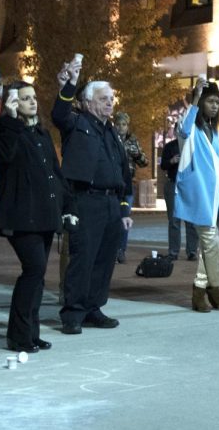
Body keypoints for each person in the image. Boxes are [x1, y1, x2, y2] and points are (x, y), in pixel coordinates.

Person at [52, 59, 133, 334]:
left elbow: (123, 172)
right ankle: (73, 312)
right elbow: (59, 114)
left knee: (104, 258)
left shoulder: (112, 132)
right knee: (83, 257)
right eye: (103, 99)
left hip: (111, 202)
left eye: (111, 99)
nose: (110, 103)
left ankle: (93, 307)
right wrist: (70, 84)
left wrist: (124, 209)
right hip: (85, 200)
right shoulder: (76, 122)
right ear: (87, 103)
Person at [0, 81, 67, 353]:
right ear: (14, 103)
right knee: (33, 270)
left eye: (34, 97)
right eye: (25, 98)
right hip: (22, 216)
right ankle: (18, 336)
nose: (33, 102)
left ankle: (31, 334)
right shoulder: (3, 130)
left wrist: (65, 206)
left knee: (38, 275)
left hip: (45, 215)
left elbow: (54, 173)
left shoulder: (41, 132)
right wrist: (9, 119)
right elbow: (4, 156)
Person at [175, 80, 219, 312]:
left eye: (217, 103)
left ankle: (200, 291)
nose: (215, 106)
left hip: (216, 198)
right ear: (201, 101)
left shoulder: (211, 132)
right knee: (211, 243)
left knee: (207, 246)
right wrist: (195, 98)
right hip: (201, 196)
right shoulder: (190, 129)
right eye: (211, 101)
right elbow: (182, 129)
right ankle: (215, 290)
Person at [114, 112, 149, 264]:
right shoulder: (110, 138)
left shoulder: (133, 141)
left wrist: (137, 154)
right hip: (112, 184)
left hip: (127, 185)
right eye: (118, 124)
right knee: (110, 218)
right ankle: (109, 249)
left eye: (124, 124)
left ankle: (121, 250)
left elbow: (144, 162)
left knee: (124, 217)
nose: (121, 127)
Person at [161, 129, 198, 261]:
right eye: (179, 130)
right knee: (174, 220)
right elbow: (163, 165)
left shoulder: (193, 145)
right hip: (173, 184)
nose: (181, 133)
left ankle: (192, 251)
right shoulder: (170, 146)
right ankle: (173, 252)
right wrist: (171, 161)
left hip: (189, 185)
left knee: (191, 220)